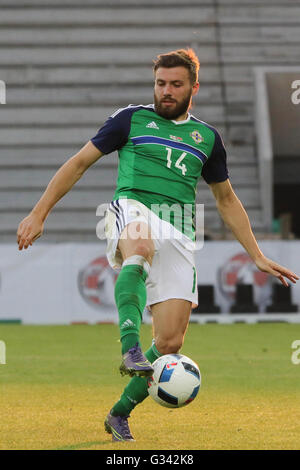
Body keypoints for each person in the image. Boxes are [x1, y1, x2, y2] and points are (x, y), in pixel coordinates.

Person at [17, 48, 299, 442]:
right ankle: (129, 347)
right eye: (160, 83)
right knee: (140, 245)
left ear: (193, 87)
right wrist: (38, 213)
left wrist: (257, 255)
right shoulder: (130, 119)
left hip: (181, 228)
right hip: (134, 207)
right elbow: (79, 162)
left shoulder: (206, 138)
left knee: (169, 342)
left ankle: (118, 414)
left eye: (175, 85)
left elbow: (226, 199)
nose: (166, 91)